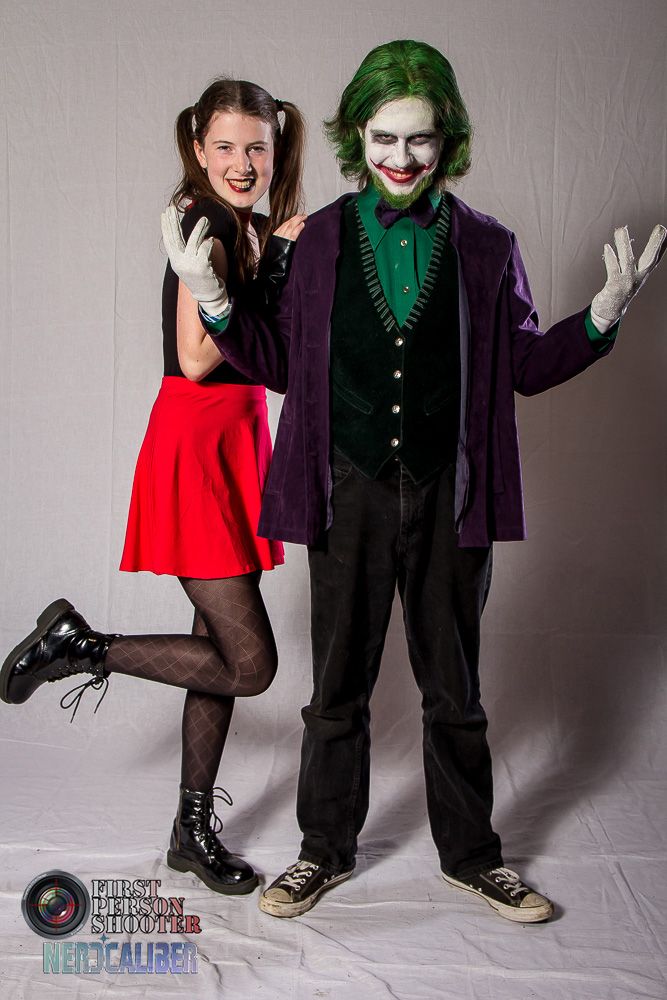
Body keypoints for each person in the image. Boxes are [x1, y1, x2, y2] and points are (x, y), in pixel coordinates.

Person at [163, 41, 665, 923]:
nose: (400, 158)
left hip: (449, 495)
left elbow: (522, 366)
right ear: (358, 138)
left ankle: (472, 857)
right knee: (336, 693)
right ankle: (322, 851)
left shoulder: (487, 246)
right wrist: (215, 301)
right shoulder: (315, 240)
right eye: (384, 138)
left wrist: (596, 321)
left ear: (448, 142)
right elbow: (278, 364)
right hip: (344, 491)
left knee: (454, 694)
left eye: (420, 139)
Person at [0, 78, 307, 897]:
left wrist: (279, 259)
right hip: (197, 443)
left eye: (256, 147)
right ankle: (80, 647)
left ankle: (189, 832)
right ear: (197, 148)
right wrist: (277, 266)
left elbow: (269, 348)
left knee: (218, 652)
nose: (241, 163)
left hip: (234, 438)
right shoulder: (204, 220)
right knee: (250, 663)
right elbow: (199, 357)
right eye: (224, 147)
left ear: (275, 149)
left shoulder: (246, 223)